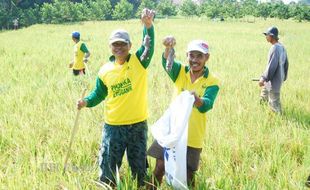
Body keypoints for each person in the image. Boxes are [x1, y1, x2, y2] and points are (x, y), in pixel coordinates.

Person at [77, 8, 155, 187]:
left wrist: (148, 26)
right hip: (113, 127)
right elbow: (99, 93)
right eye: (115, 44)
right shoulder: (105, 70)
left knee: (139, 169)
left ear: (130, 45)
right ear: (110, 47)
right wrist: (85, 102)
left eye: (123, 44)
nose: (119, 48)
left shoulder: (139, 61)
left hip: (138, 125)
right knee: (108, 166)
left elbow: (148, 46)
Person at [147, 36, 220, 189]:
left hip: (193, 136)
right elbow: (167, 63)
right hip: (172, 132)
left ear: (207, 57)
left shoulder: (212, 81)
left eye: (199, 56)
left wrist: (196, 99)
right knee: (160, 167)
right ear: (186, 55)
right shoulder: (180, 71)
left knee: (187, 175)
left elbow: (207, 104)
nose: (195, 60)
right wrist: (168, 47)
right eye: (191, 55)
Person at [259, 26, 289, 114]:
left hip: (273, 81)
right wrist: (284, 76)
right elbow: (286, 64)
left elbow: (272, 66)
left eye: (267, 35)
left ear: (271, 36)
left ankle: (279, 119)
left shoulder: (275, 48)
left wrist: (263, 78)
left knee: (274, 102)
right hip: (273, 80)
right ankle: (262, 113)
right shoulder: (282, 47)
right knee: (264, 96)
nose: (266, 37)